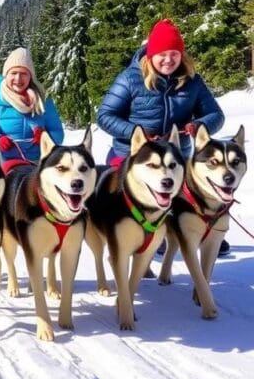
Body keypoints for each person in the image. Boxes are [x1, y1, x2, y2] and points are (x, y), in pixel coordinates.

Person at [97, 18, 227, 256]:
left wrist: (198, 125)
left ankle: (207, 231)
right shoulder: (130, 78)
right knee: (128, 194)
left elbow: (216, 115)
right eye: (162, 54)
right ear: (151, 54)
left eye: (174, 54)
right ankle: (137, 235)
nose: (169, 60)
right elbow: (105, 115)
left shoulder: (192, 81)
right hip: (132, 153)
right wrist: (135, 132)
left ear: (182, 55)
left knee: (193, 190)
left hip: (176, 153)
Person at [0, 47, 64, 165]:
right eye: (14, 73)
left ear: (30, 76)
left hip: (37, 162)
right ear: (6, 75)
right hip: (2, 161)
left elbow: (57, 132)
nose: (18, 79)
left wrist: (46, 137)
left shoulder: (43, 100)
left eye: (24, 73)